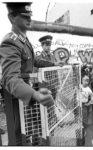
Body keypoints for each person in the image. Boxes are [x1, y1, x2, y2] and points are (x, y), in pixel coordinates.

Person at [0, 2, 55, 145]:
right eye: (24, 16)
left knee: (30, 134)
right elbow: (10, 78)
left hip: (26, 98)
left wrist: (54, 64)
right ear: (12, 17)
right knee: (19, 136)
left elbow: (33, 60)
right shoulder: (10, 42)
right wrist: (35, 95)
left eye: (30, 15)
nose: (29, 19)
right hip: (17, 100)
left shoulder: (24, 41)